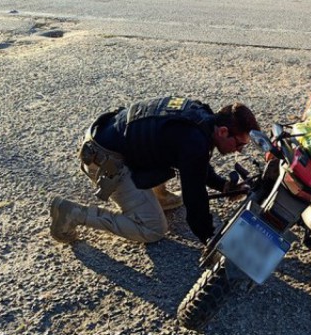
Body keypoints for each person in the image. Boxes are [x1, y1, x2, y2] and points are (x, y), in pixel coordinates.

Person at [49, 96, 259, 246]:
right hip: (104, 160)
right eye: (239, 144)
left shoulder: (202, 117)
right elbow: (195, 195)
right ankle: (71, 213)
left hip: (112, 139)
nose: (239, 150)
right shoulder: (195, 142)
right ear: (223, 131)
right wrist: (209, 236)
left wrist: (222, 185)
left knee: (170, 150)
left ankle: (158, 197)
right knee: (153, 229)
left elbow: (197, 163)